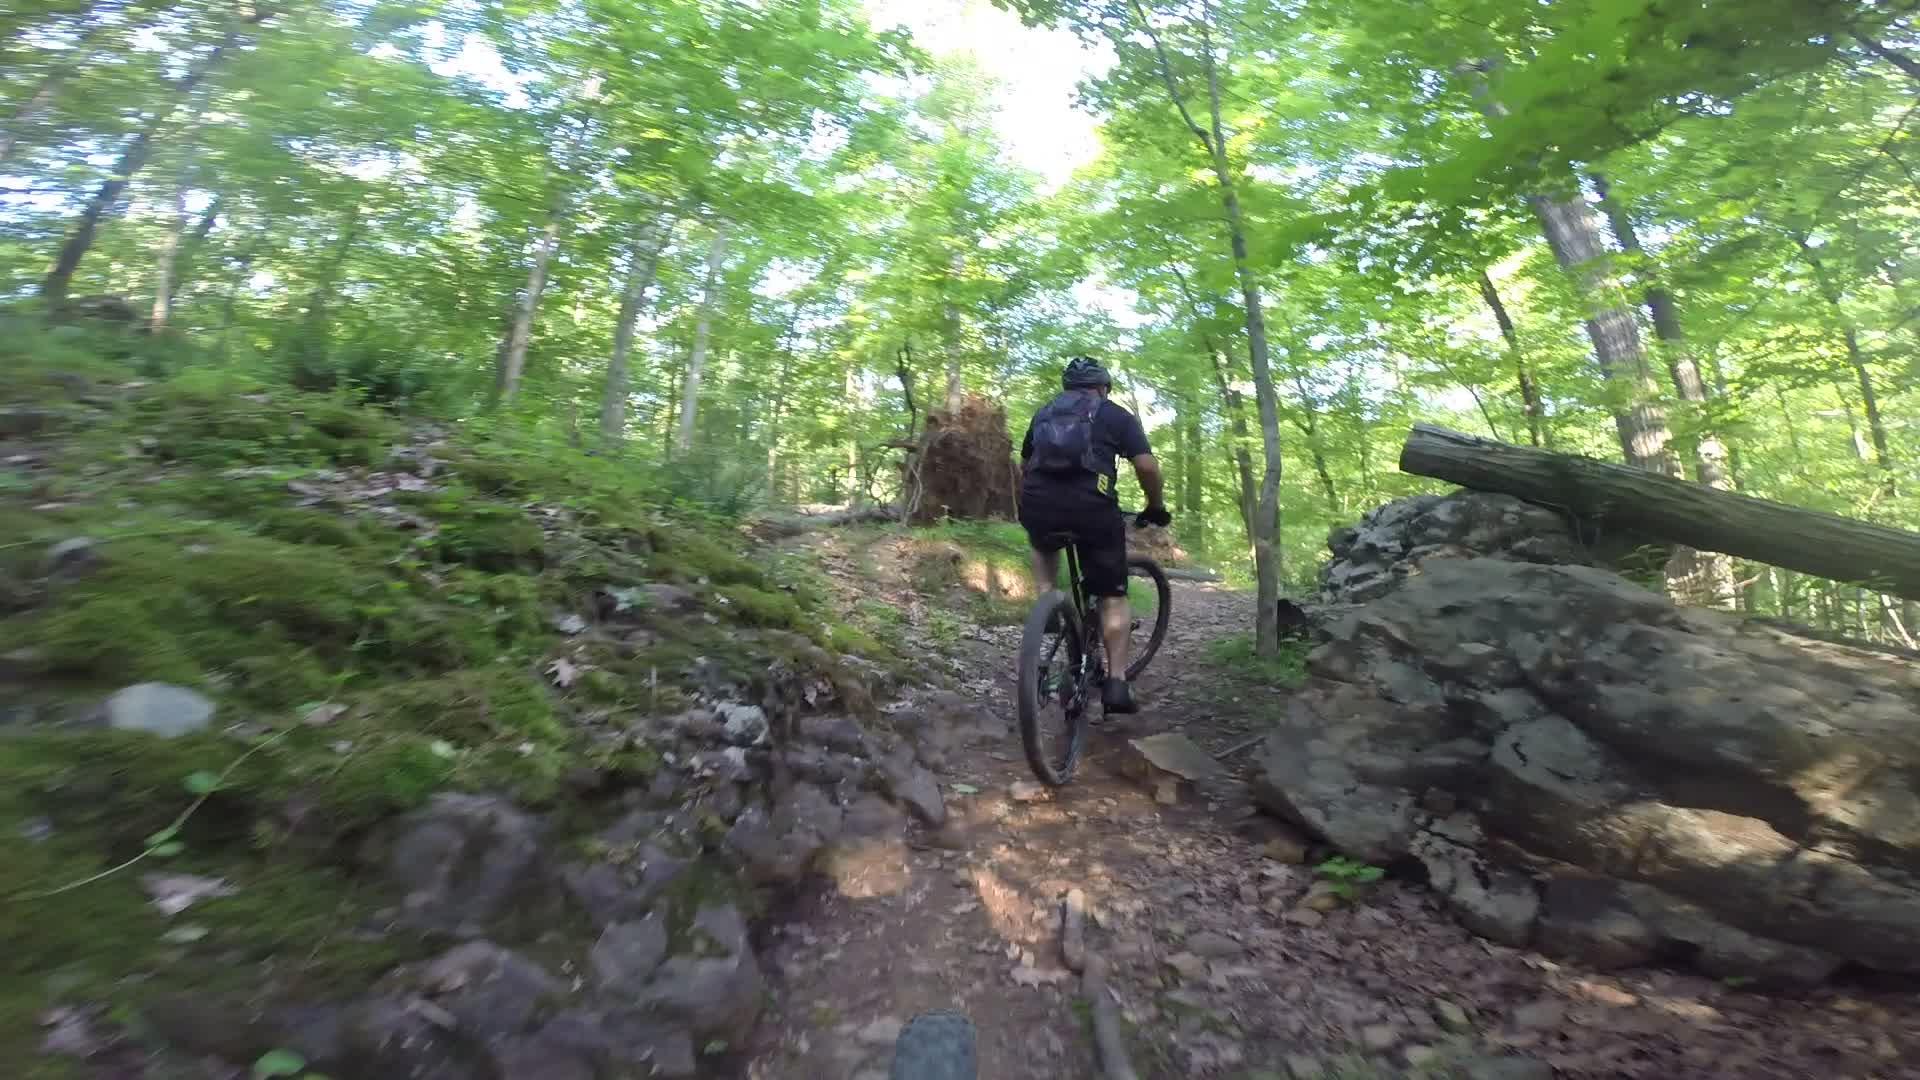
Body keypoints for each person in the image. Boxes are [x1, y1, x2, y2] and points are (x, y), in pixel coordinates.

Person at [1017, 356, 1170, 714]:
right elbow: (1146, 465)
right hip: (1092, 510)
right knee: (1111, 596)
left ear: (1067, 387)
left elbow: (1025, 465)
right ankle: (1117, 683)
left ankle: (1047, 600)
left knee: (1042, 539)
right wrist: (1155, 505)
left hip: (1039, 503)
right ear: (1103, 386)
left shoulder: (1044, 413)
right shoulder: (1116, 415)